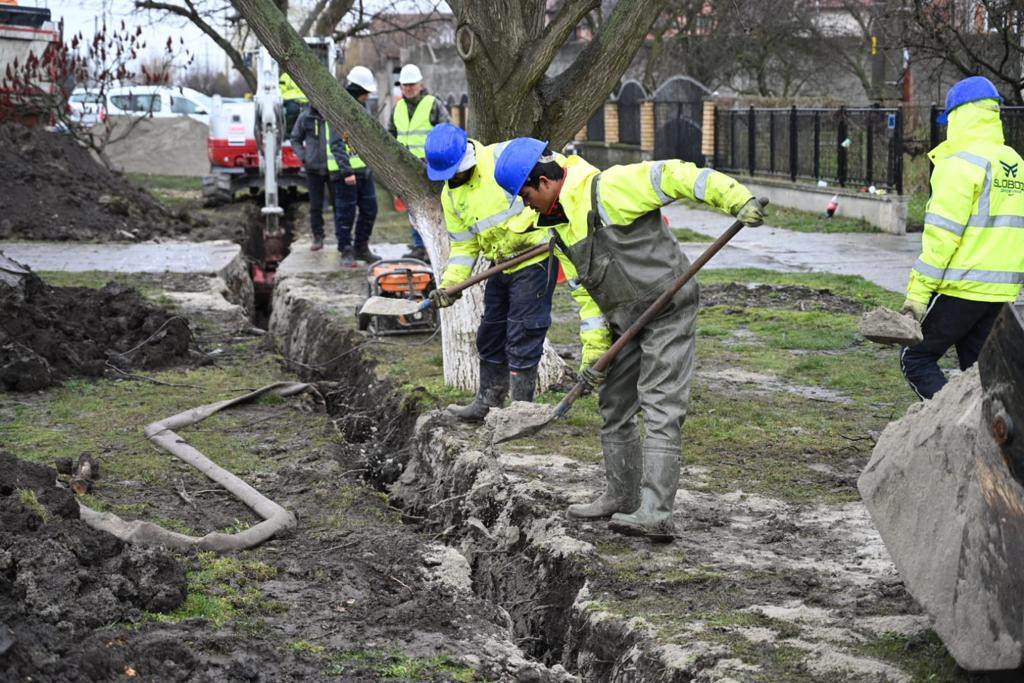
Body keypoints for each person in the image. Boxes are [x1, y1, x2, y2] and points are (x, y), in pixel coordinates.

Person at [494, 139, 763, 542]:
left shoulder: (610, 188)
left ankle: (655, 512)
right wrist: (595, 354)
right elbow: (588, 298)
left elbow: (675, 174)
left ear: (546, 180)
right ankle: (621, 495)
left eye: (526, 194)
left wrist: (735, 198)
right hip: (624, 319)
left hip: (667, 306)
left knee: (660, 403)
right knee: (614, 402)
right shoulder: (562, 230)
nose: (526, 204)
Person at [900, 76, 1024, 400]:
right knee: (981, 375)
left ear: (958, 117)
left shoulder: (959, 164)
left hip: (964, 288)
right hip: (1003, 293)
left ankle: (951, 428)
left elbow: (941, 240)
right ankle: (987, 441)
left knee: (915, 358)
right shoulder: (1015, 163)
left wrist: (917, 297)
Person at [423, 124, 556, 421]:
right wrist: (451, 285)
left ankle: (523, 412)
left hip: (534, 256)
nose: (453, 178)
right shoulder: (451, 196)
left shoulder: (502, 157)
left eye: (455, 171)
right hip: (500, 262)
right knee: (491, 333)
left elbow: (556, 179)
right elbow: (464, 247)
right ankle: (488, 403)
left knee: (523, 331)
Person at [388, 63, 450, 261]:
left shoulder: (433, 104)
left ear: (420, 85)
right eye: (404, 85)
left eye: (411, 85)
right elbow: (390, 134)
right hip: (407, 167)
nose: (408, 88)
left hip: (430, 166)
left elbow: (446, 131)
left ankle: (437, 244)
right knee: (414, 208)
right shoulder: (397, 108)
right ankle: (418, 245)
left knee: (436, 206)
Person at [331, 66, 381, 266]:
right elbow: (336, 143)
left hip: (364, 171)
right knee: (346, 213)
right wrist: (347, 171)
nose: (368, 96)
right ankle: (346, 249)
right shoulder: (339, 107)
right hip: (346, 173)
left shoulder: (363, 107)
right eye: (366, 93)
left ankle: (361, 246)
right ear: (359, 90)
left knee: (370, 209)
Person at [290, 103, 338, 251]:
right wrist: (304, 157)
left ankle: (343, 237)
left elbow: (347, 137)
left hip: (334, 167)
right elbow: (295, 139)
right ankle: (318, 237)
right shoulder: (305, 116)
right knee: (315, 206)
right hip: (313, 169)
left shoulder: (336, 116)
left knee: (339, 205)